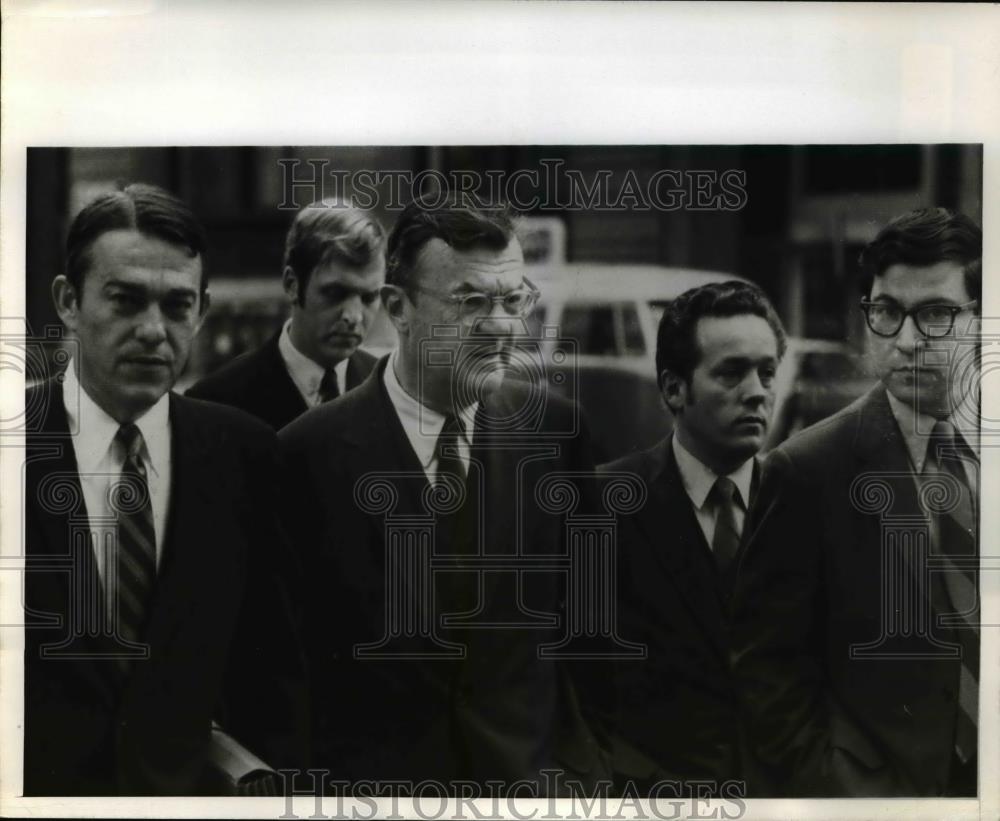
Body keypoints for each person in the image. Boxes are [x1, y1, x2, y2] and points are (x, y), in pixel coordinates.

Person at [278, 194, 608, 791]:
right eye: (471, 302)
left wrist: (585, 778)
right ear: (397, 308)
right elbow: (285, 672)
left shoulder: (558, 435)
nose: (502, 326)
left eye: (513, 301)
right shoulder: (306, 455)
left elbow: (591, 637)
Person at [24, 183, 308, 795]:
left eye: (177, 306)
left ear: (201, 312)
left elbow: (274, 674)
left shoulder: (245, 456)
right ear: (68, 301)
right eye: (126, 301)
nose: (153, 330)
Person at [732, 207, 982, 797]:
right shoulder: (807, 469)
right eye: (887, 312)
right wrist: (840, 792)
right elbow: (765, 674)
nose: (906, 341)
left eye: (937, 315)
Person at [599, 281, 785, 793]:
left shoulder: (803, 500)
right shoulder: (602, 503)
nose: (757, 391)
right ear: (674, 389)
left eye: (767, 372)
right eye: (731, 372)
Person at [187, 201, 385, 429]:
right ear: (292, 284)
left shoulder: (389, 386)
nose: (354, 316)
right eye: (334, 294)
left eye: (369, 298)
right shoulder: (214, 402)